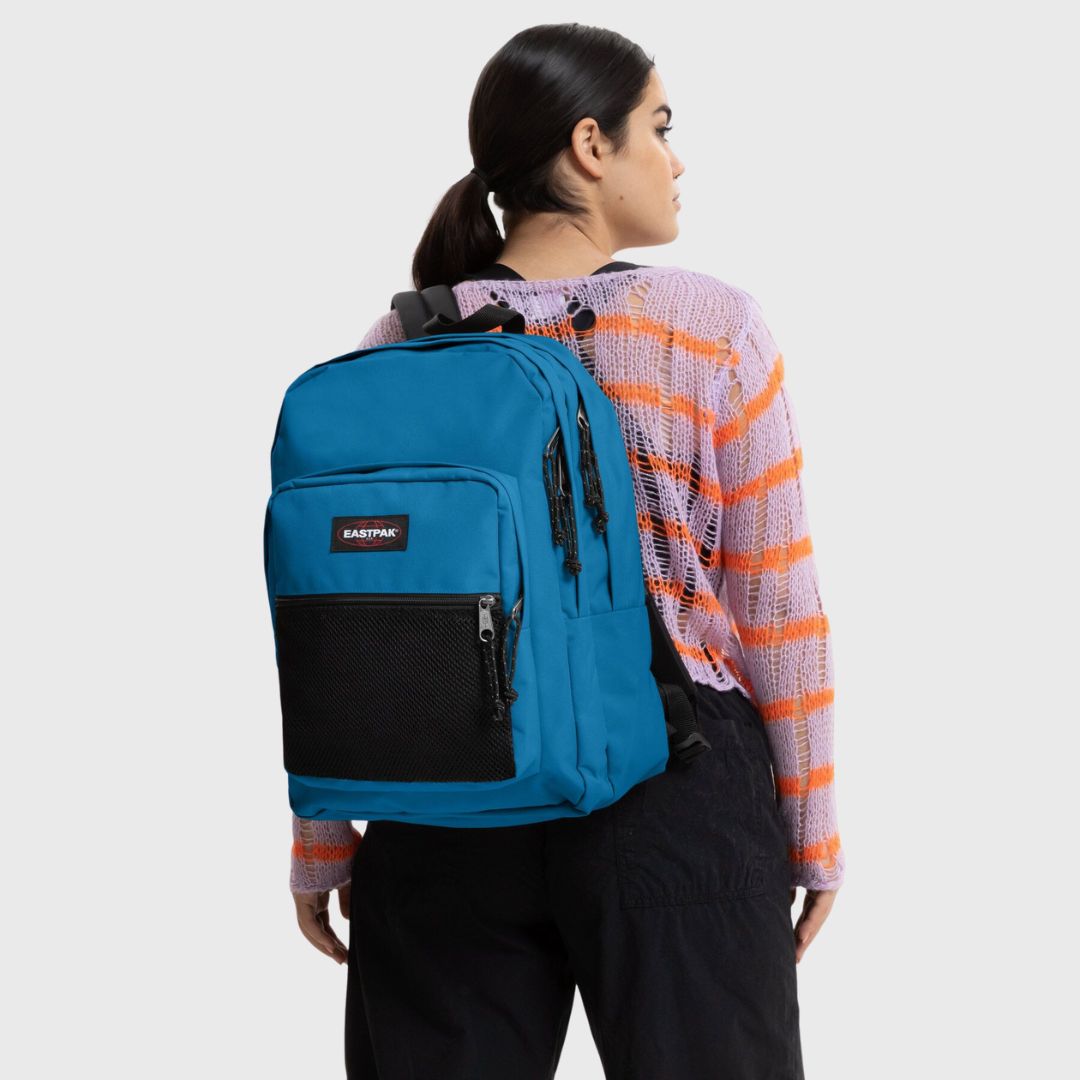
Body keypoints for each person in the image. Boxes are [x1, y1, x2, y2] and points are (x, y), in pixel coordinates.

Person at [287, 23, 845, 1079]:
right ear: (591, 146)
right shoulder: (709, 330)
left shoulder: (399, 342)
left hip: (439, 792)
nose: (676, 161)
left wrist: (324, 837)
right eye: (660, 129)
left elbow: (338, 617)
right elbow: (778, 605)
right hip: (674, 785)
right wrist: (811, 831)